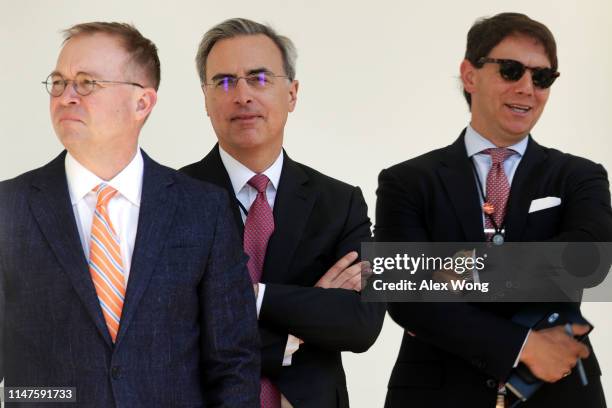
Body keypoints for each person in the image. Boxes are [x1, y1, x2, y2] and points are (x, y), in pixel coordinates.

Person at [0, 22, 259, 407]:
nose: (66, 96)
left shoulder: (202, 209)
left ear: (142, 103)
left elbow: (233, 362)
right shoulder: (10, 206)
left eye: (86, 82)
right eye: (58, 82)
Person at [375, 12, 612, 407]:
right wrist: (522, 345)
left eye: (542, 77)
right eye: (511, 70)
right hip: (437, 394)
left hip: (560, 391)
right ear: (470, 75)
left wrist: (452, 270)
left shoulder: (580, 176)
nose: (526, 88)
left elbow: (588, 261)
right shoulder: (406, 181)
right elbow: (403, 296)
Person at [181, 18, 386, 408]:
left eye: (258, 79)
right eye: (223, 82)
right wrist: (307, 314)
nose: (241, 95)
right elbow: (165, 330)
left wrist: (252, 296)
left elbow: (361, 324)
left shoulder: (340, 202)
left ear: (292, 93)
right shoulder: (168, 200)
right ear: (205, 98)